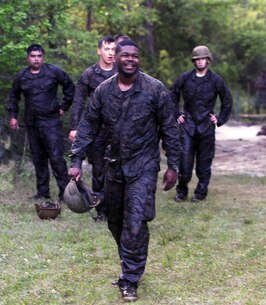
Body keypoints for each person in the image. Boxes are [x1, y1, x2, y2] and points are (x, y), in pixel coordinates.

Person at [68, 39, 180, 302]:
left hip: (144, 165)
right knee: (115, 221)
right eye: (125, 55)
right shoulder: (104, 91)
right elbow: (87, 125)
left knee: (135, 220)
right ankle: (131, 260)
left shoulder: (155, 89)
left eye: (135, 56)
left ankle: (129, 279)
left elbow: (169, 129)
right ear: (115, 58)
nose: (130, 59)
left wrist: (173, 165)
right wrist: (75, 162)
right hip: (114, 165)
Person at [7, 43, 74, 202]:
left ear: (43, 57)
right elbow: (13, 96)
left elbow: (70, 87)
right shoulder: (22, 76)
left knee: (56, 157)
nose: (36, 59)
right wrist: (13, 116)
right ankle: (43, 192)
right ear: (28, 58)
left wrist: (64, 106)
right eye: (33, 56)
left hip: (51, 121)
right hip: (32, 123)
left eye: (39, 56)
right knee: (38, 157)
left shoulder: (53, 71)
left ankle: (65, 193)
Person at [171, 45, 232, 203]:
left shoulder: (215, 80)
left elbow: (227, 100)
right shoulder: (185, 78)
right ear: (194, 61)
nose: (200, 61)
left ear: (208, 60)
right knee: (184, 162)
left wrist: (219, 119)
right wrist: (177, 114)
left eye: (203, 58)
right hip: (188, 125)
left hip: (206, 126)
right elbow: (172, 94)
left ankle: (201, 192)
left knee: (204, 163)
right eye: (197, 59)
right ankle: (182, 190)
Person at [68, 36, 117, 222]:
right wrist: (75, 127)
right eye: (107, 49)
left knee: (119, 171)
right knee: (98, 171)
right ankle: (102, 211)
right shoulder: (89, 74)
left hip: (118, 131)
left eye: (113, 49)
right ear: (99, 51)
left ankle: (119, 210)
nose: (111, 53)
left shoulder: (123, 72)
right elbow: (78, 102)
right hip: (96, 131)